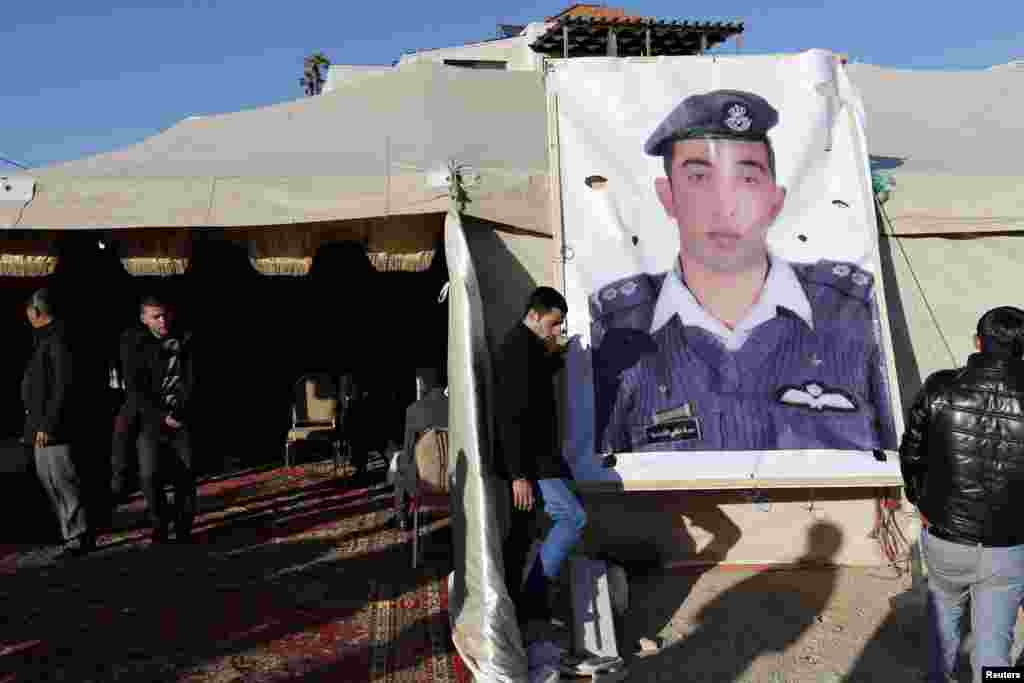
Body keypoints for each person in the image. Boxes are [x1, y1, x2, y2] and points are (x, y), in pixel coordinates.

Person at [594, 89, 896, 453]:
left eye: (747, 179)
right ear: (667, 196)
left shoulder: (850, 315)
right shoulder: (619, 328)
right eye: (699, 178)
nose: (725, 205)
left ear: (776, 199)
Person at [899, 307, 1024, 683]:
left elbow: (912, 452)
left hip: (945, 535)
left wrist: (919, 501)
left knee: (942, 628)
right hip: (1010, 546)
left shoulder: (940, 388)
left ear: (978, 341)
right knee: (994, 646)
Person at [496, 287, 584, 626]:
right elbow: (511, 417)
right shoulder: (516, 350)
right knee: (572, 518)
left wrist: (554, 358)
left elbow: (533, 385)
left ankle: (525, 606)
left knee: (523, 533)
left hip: (541, 457)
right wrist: (519, 475)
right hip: (532, 461)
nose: (557, 330)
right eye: (553, 323)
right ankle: (533, 598)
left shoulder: (528, 346)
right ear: (534, 315)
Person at [21, 289, 96, 556]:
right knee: (52, 481)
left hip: (54, 426)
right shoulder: (48, 338)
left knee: (62, 480)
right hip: (43, 424)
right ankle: (70, 533)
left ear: (35, 311)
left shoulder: (58, 339)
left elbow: (62, 386)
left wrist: (48, 425)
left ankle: (78, 535)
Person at [119, 296, 197, 544]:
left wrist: (179, 414)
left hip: (182, 418)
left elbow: (195, 379)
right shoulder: (135, 344)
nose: (162, 320)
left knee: (185, 475)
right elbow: (135, 388)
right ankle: (160, 525)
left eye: (165, 315)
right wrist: (162, 416)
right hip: (150, 420)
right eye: (156, 316)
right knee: (149, 475)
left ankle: (184, 528)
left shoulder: (186, 339)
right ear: (144, 319)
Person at [393, 368, 449, 529]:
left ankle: (402, 517)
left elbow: (409, 453)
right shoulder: (460, 408)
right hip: (458, 482)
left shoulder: (413, 410)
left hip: (426, 486)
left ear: (421, 384)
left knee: (401, 464)